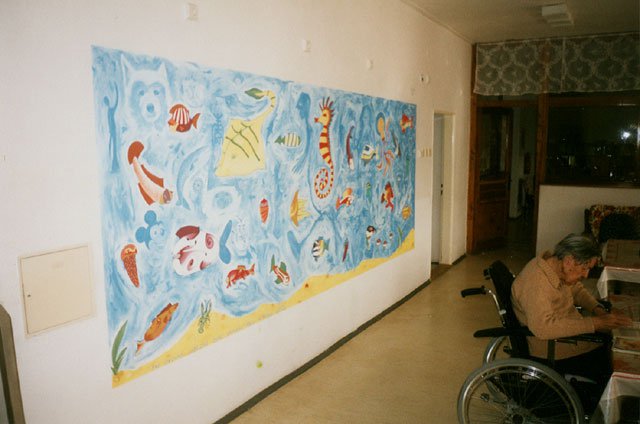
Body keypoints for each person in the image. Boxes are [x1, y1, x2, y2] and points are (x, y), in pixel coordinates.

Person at [511, 233, 632, 389]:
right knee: (618, 360)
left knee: (617, 343)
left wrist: (598, 310)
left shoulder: (555, 267)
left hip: (569, 338)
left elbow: (576, 290)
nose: (586, 275)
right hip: (554, 348)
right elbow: (543, 328)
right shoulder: (537, 282)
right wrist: (594, 323)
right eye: (584, 268)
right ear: (569, 261)